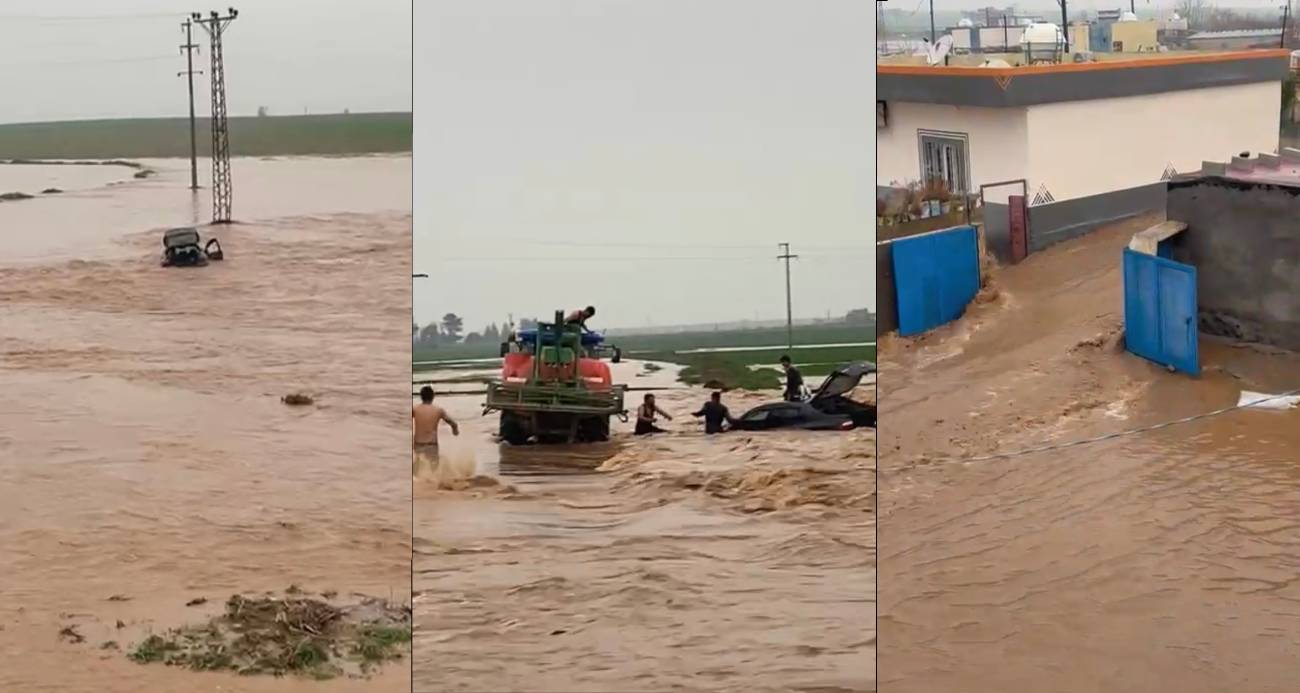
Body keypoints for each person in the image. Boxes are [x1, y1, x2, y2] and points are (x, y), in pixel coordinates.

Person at [412, 386, 458, 460]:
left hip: (418, 444)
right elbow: (453, 423)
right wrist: (455, 431)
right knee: (433, 467)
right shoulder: (438, 410)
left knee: (418, 466)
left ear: (421, 397)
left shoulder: (415, 409)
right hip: (431, 444)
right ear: (433, 396)